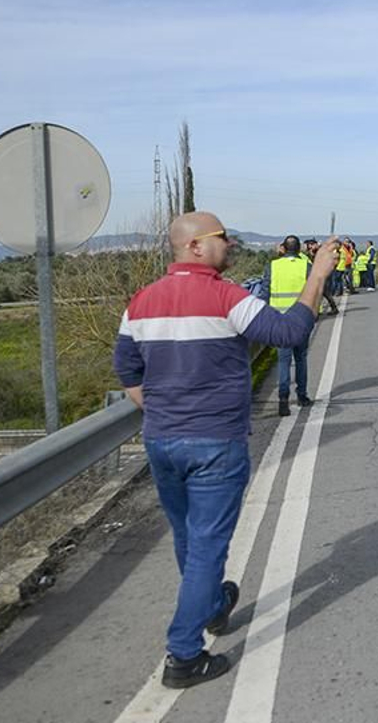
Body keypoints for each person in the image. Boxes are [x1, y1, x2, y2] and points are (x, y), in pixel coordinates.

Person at [113, 212, 338, 689]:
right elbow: (289, 333)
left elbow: (129, 374)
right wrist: (318, 274)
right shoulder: (225, 296)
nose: (230, 244)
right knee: (207, 549)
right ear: (194, 246)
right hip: (214, 442)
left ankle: (214, 606)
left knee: (189, 538)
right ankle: (184, 654)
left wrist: (166, 413)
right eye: (221, 238)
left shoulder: (141, 303)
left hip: (161, 442)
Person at [261, 235, 314, 416]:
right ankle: (302, 396)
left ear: (283, 248)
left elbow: (265, 293)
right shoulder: (306, 266)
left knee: (284, 361)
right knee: (301, 359)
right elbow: (314, 291)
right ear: (299, 249)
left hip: (279, 320)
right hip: (301, 320)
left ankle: (283, 399)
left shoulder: (273, 266)